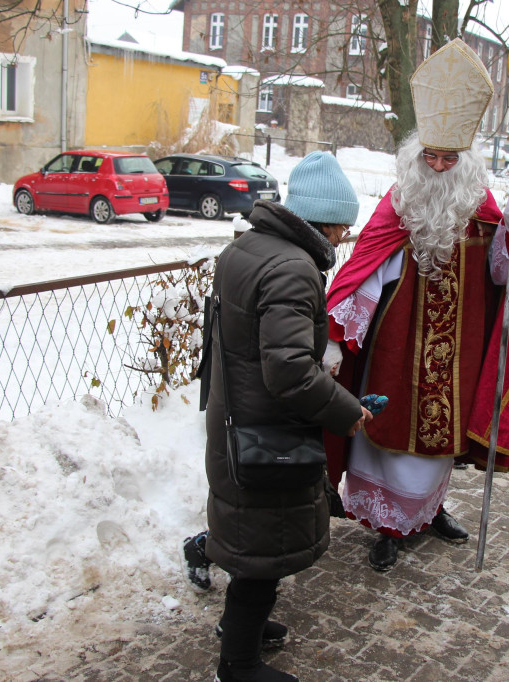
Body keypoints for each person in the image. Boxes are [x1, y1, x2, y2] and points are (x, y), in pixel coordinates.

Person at [323, 38, 509, 572]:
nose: (438, 167)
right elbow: (366, 269)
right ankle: (387, 525)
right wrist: (342, 327)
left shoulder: (481, 205)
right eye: (431, 156)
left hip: (458, 346)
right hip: (396, 344)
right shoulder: (399, 202)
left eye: (449, 158)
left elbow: (501, 279)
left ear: (466, 161)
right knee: (387, 432)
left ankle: (429, 509)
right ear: (416, 156)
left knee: (443, 436)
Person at [200, 151, 372, 682]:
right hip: (265, 434)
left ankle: (240, 627)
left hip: (236, 422)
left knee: (250, 539)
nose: (345, 235)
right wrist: (349, 413)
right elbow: (291, 373)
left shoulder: (249, 247)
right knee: (265, 549)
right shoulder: (294, 269)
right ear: (324, 218)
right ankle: (240, 664)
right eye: (344, 224)